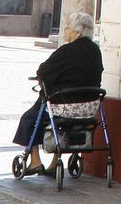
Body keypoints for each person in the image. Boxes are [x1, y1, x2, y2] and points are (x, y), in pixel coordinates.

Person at [13, 11, 103, 174]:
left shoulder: (66, 51)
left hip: (64, 106)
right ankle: (55, 161)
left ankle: (35, 160)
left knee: (31, 118)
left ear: (77, 31)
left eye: (67, 28)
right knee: (57, 121)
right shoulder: (96, 51)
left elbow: (44, 71)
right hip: (89, 108)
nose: (65, 31)